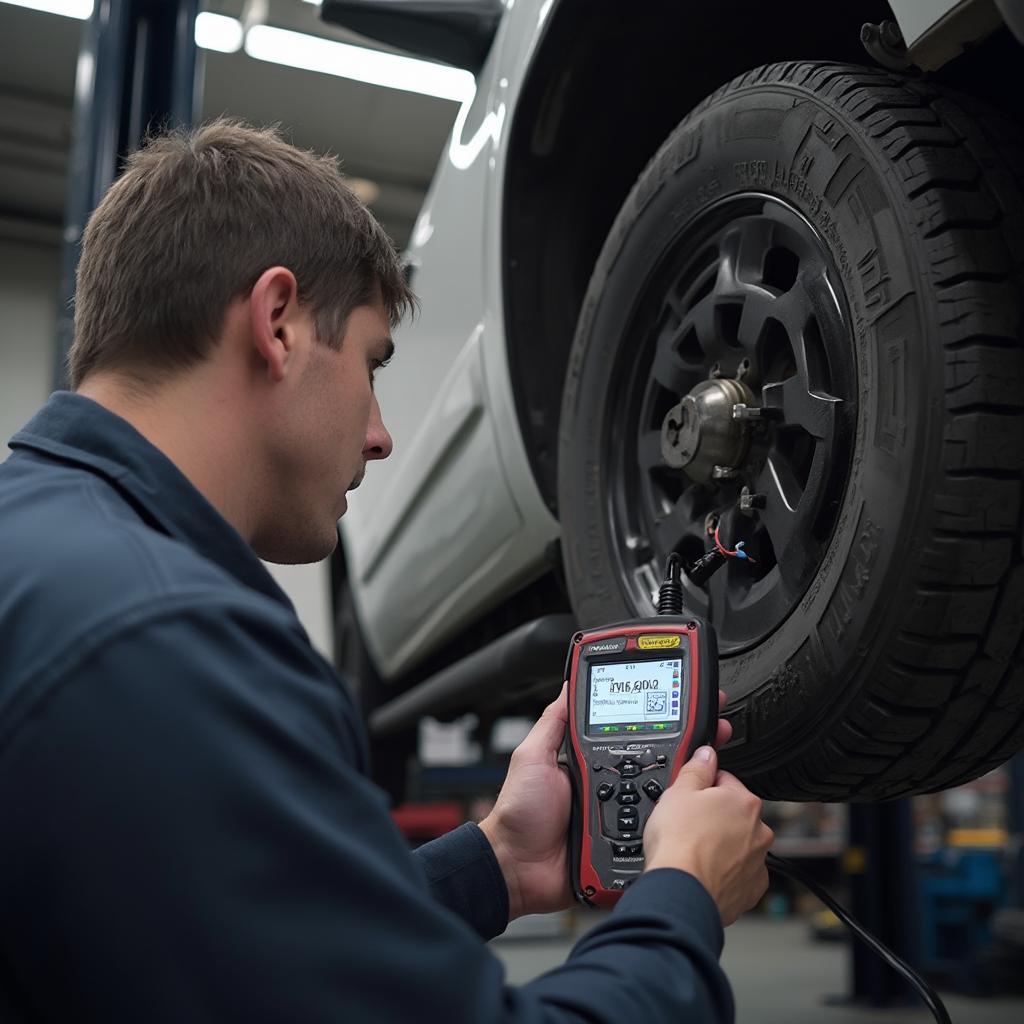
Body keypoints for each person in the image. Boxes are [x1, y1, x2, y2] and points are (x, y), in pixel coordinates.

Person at [0, 120, 772, 1023]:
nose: (380, 433)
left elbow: (229, 950)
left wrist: (495, 864)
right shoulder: (161, 637)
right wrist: (679, 899)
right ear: (277, 322)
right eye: (371, 366)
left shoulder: (52, 563)